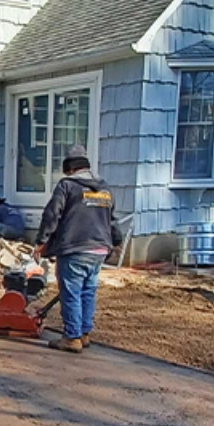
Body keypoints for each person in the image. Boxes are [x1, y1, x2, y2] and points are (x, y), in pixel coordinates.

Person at [33, 145, 123, 354]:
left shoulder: (67, 186)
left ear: (70, 168)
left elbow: (51, 215)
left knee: (71, 292)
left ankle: (72, 337)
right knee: (88, 291)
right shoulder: (105, 189)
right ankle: (84, 333)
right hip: (99, 250)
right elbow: (112, 221)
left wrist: (41, 241)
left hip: (75, 248)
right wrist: (116, 243)